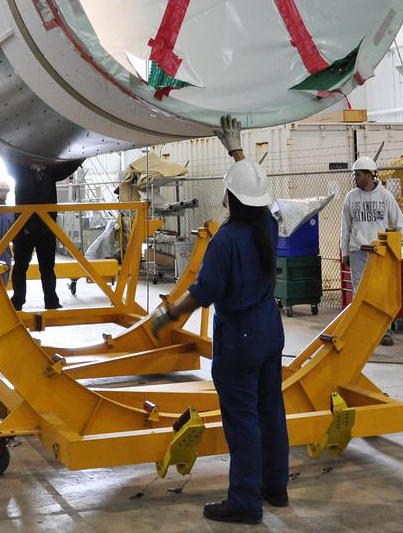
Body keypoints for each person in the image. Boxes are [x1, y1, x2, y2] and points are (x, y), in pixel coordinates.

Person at [149, 115, 289, 525]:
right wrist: (237, 150)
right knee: (270, 410)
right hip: (269, 329)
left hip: (241, 337)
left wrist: (169, 315)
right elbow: (252, 192)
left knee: (242, 418)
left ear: (229, 197)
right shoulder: (267, 225)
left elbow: (204, 291)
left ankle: (245, 503)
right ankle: (275, 487)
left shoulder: (227, 240)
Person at [340, 155, 403, 346]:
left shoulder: (386, 197)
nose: (354, 178)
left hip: (381, 253)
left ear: (368, 175)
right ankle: (362, 331)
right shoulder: (351, 197)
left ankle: (384, 332)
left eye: (357, 175)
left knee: (382, 293)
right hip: (358, 251)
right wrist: (345, 252)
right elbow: (345, 227)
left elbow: (399, 223)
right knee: (360, 294)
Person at [6, 158, 84, 311]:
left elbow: (67, 168)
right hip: (24, 229)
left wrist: (82, 156)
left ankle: (51, 301)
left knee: (47, 268)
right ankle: (17, 301)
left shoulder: (51, 171)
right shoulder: (20, 171)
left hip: (46, 228)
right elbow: (9, 162)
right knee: (20, 268)